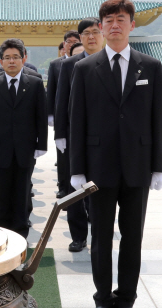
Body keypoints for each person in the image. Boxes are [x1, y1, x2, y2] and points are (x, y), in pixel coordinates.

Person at [69, 0, 162, 308]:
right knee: (100, 238)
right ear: (100, 27)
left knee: (132, 237)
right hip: (99, 167)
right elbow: (76, 121)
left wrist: (159, 166)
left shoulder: (150, 66)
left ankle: (126, 297)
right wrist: (76, 168)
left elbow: (157, 119)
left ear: (131, 25)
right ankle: (102, 296)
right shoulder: (85, 68)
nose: (114, 25)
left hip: (138, 165)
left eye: (121, 20)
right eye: (108, 21)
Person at [0, 39, 47, 238]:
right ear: (1, 62)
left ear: (23, 59)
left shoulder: (34, 84)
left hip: (26, 149)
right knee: (3, 192)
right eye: (7, 58)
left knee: (23, 191)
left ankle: (21, 233)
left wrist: (41, 144)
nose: (11, 61)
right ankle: (3, 231)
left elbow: (40, 117)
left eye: (16, 57)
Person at [54, 17, 104, 253]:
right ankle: (78, 236)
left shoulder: (111, 61)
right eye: (86, 33)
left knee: (101, 188)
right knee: (74, 188)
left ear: (102, 34)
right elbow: (61, 101)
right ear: (81, 38)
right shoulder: (69, 65)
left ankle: (100, 234)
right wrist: (60, 134)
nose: (91, 37)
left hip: (103, 140)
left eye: (96, 32)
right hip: (74, 138)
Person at [48, 30, 80, 199]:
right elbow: (53, 91)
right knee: (63, 155)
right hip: (64, 116)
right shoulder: (56, 64)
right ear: (64, 44)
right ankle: (63, 186)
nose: (72, 44)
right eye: (69, 41)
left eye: (76, 41)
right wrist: (51, 114)